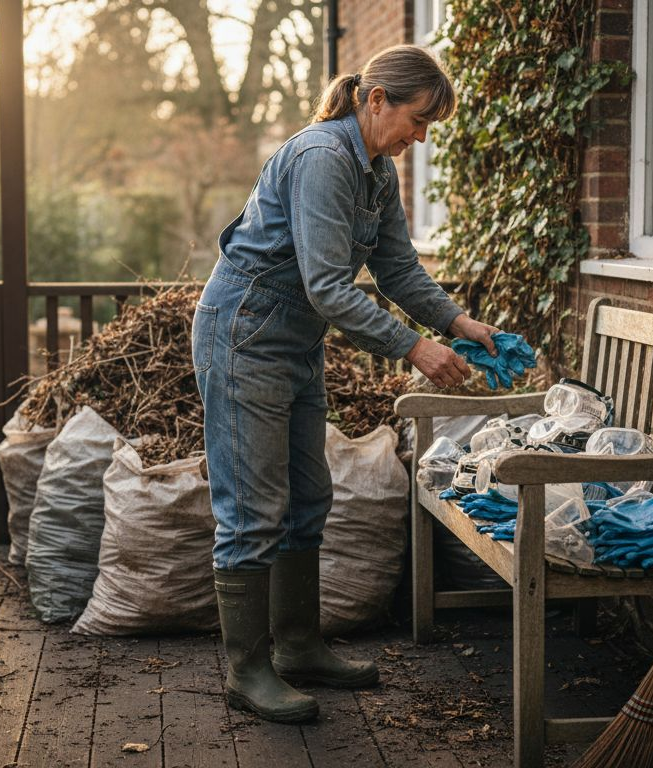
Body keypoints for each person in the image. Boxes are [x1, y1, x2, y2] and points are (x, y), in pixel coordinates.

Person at [191, 44, 505, 723]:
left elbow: (397, 269)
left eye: (428, 128)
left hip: (293, 340)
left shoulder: (375, 172)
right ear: (376, 100)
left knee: (309, 495)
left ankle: (299, 647)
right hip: (244, 334)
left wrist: (457, 321)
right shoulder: (324, 160)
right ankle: (247, 672)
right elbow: (329, 286)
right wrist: (415, 347)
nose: (419, 138)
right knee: (253, 507)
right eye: (417, 120)